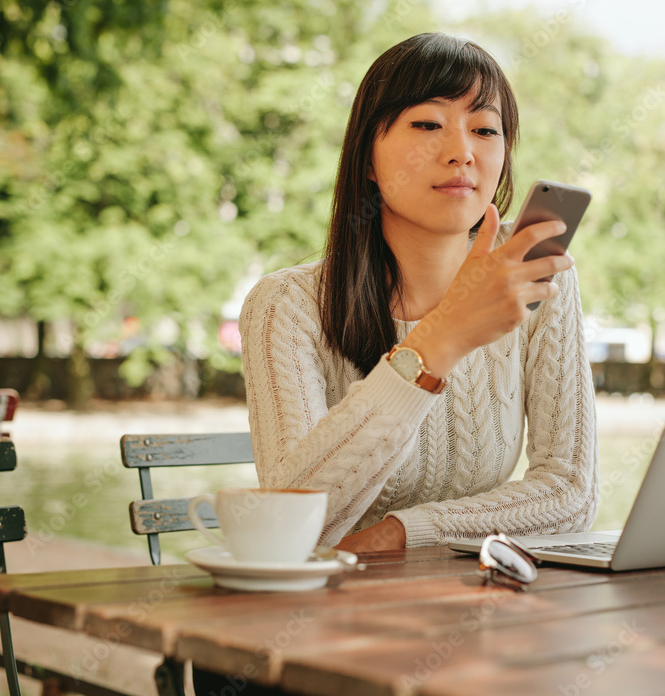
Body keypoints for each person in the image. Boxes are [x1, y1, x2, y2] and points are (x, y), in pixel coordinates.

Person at [239, 32, 598, 553]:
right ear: (367, 158)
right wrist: (440, 339)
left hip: (480, 606)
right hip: (330, 614)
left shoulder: (539, 279)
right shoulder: (286, 306)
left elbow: (570, 494)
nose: (461, 153)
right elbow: (288, 522)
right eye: (428, 124)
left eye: (485, 129)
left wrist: (406, 531)